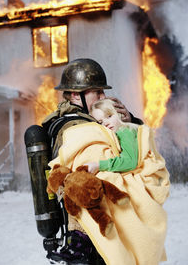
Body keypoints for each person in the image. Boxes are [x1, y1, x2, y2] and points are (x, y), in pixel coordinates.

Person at [42, 58, 143, 264]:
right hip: (93, 226)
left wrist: (130, 122)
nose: (103, 96)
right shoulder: (80, 128)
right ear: (74, 95)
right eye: (96, 92)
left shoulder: (71, 121)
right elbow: (114, 166)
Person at [86, 98, 139, 175]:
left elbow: (130, 162)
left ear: (120, 113)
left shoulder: (125, 131)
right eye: (100, 122)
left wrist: (98, 165)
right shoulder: (118, 133)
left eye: (109, 116)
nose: (106, 123)